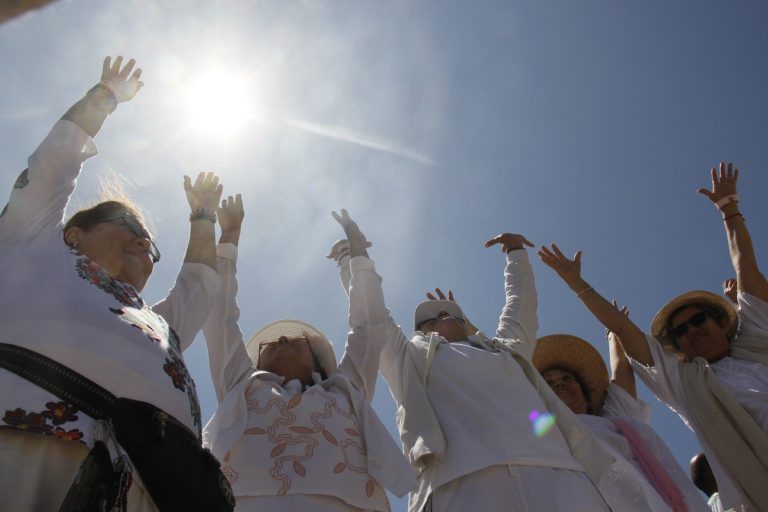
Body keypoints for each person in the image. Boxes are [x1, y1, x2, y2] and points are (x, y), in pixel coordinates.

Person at [0, 57, 226, 510]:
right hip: (24, 446)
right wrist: (103, 97)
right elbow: (54, 162)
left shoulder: (156, 324)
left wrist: (203, 216)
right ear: (74, 231)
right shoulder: (33, 247)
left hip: (142, 484)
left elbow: (199, 285)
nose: (144, 241)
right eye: (128, 224)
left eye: (150, 244)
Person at [332, 209, 613, 512]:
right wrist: (352, 258)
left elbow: (520, 305)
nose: (439, 317)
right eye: (427, 320)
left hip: (555, 473)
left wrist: (517, 254)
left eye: (448, 312)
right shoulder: (408, 360)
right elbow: (371, 312)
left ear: (465, 321)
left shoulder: (506, 349)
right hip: (458, 483)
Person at [538, 162, 768, 511]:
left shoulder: (757, 340)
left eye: (698, 319)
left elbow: (746, 268)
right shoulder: (685, 383)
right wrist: (577, 285)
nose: (691, 330)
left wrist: (729, 209)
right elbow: (624, 329)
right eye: (680, 330)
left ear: (724, 323)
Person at [201, 198, 416, 511]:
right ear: (256, 363)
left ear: (317, 358)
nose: (284, 338)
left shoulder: (347, 388)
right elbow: (218, 315)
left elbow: (370, 325)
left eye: (297, 339)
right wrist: (229, 239)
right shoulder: (240, 384)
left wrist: (358, 256)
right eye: (271, 342)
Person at [534, 328, 708, 511]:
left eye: (567, 378)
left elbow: (621, 369)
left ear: (586, 398)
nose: (559, 383)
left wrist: (614, 336)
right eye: (548, 383)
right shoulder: (543, 439)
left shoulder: (612, 420)